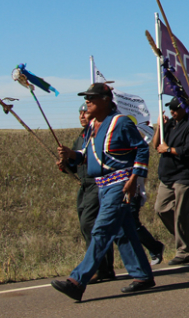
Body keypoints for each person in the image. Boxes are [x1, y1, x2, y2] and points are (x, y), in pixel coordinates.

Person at [52, 83, 154, 301]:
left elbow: (142, 148)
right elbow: (87, 155)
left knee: (101, 231)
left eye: (92, 97)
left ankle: (77, 281)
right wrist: (70, 154)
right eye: (86, 98)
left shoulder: (121, 122)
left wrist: (134, 179)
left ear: (106, 100)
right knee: (123, 232)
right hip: (102, 186)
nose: (87, 101)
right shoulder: (92, 126)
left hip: (120, 184)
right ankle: (142, 275)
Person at [152, 97, 189, 265]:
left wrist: (169, 149)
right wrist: (159, 127)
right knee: (161, 208)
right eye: (171, 109)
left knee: (180, 214)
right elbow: (156, 145)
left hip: (185, 175)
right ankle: (188, 238)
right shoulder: (169, 125)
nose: (172, 112)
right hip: (167, 175)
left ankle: (183, 251)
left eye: (176, 109)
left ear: (184, 109)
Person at [64, 104, 115, 283]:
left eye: (85, 112)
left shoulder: (97, 135)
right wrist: (65, 163)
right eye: (80, 113)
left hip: (97, 183)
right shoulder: (81, 136)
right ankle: (105, 267)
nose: (82, 116)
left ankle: (98, 267)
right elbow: (75, 163)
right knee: (89, 225)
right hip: (84, 185)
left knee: (90, 224)